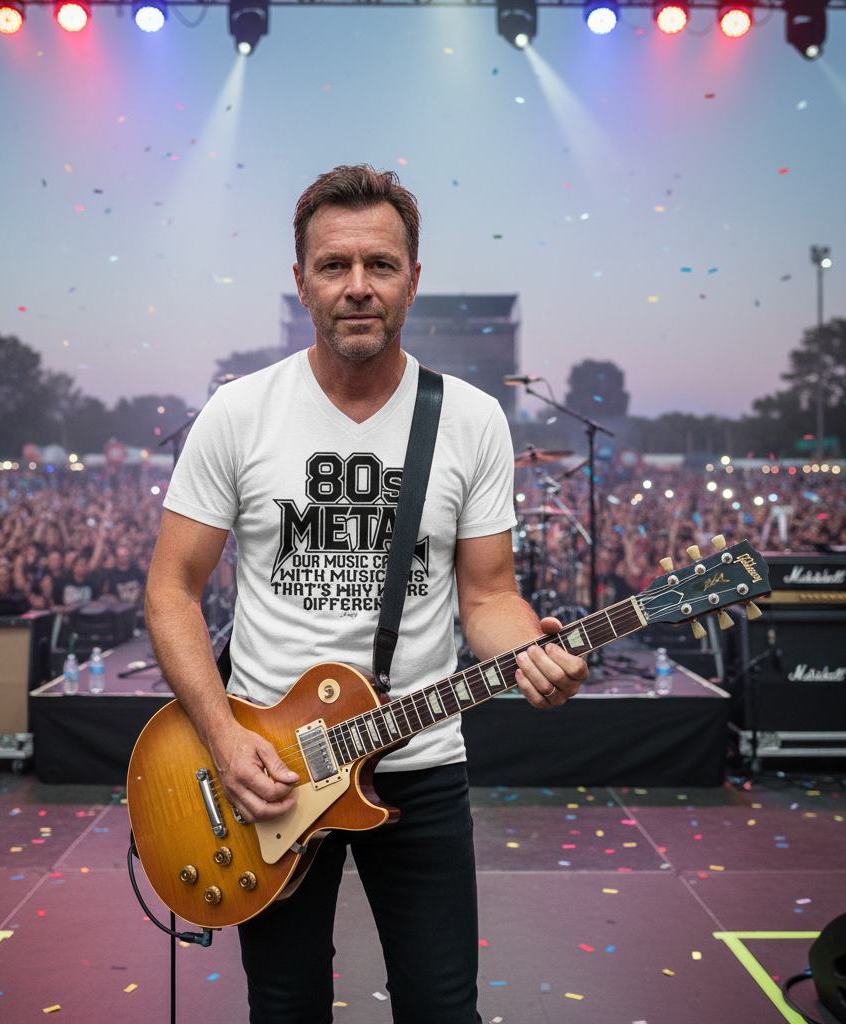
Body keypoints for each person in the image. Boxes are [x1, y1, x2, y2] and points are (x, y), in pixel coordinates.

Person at [143, 164, 591, 1024]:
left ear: (413, 280)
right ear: (301, 280)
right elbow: (171, 590)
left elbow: (489, 597)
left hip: (418, 767)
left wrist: (531, 650)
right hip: (263, 767)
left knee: (440, 1007)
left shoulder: (468, 419)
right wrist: (225, 740)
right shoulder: (239, 414)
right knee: (284, 1004)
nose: (358, 287)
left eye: (380, 265)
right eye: (334, 265)